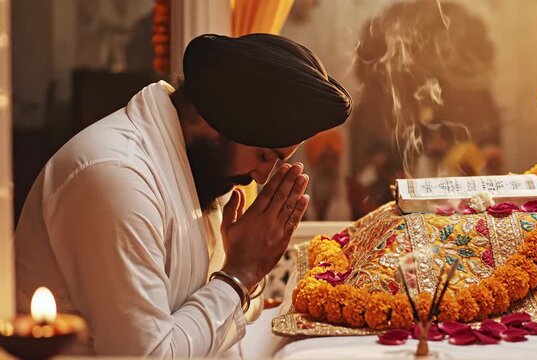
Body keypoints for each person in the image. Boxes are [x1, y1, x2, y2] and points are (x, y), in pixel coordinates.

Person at [13, 34, 351, 357]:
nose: (262, 176)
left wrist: (246, 265)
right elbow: (147, 356)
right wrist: (241, 273)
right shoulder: (115, 177)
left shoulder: (197, 164)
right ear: (213, 120)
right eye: (264, 156)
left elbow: (214, 321)